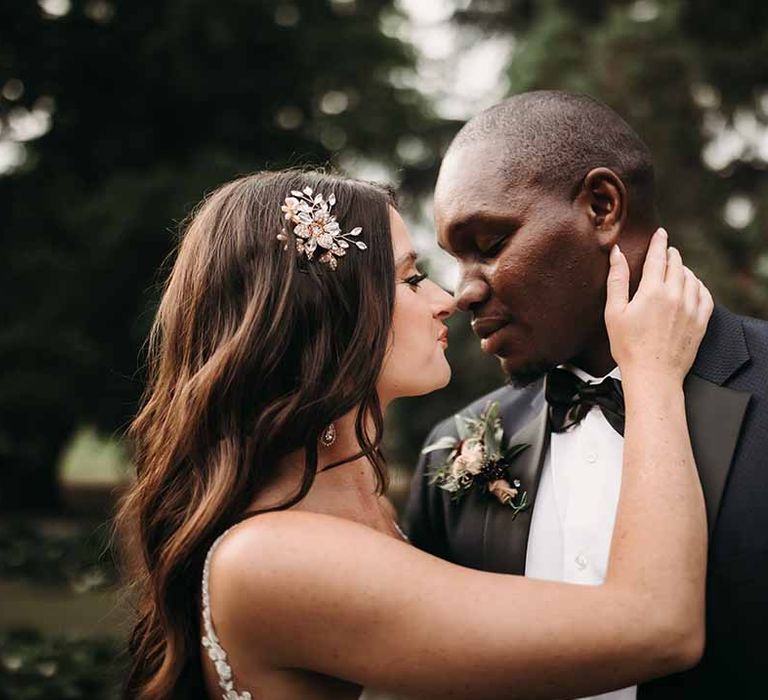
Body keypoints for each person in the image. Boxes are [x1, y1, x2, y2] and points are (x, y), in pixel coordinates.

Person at [116, 168, 712, 700]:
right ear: (327, 313)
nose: (448, 299)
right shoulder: (272, 559)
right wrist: (652, 373)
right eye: (411, 278)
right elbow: (658, 625)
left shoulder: (357, 508)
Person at [406, 90, 768, 699]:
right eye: (454, 258)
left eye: (490, 245)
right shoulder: (455, 449)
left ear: (602, 207)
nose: (462, 291)